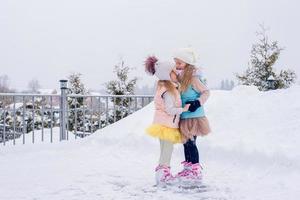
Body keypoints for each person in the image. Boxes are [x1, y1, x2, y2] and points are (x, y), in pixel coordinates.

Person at [145, 56, 190, 186]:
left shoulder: (165, 87)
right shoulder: (169, 91)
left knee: (164, 149)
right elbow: (170, 110)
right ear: (167, 74)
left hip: (162, 123)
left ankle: (161, 174)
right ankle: (164, 175)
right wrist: (183, 109)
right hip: (167, 124)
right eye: (174, 71)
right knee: (167, 150)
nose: (177, 73)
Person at [173, 48, 211, 185]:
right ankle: (188, 167)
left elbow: (206, 92)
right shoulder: (178, 78)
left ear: (187, 64)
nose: (177, 65)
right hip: (184, 115)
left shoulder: (193, 78)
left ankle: (195, 169)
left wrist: (198, 102)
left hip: (194, 115)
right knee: (185, 143)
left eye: (180, 63)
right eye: (175, 62)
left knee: (191, 142)